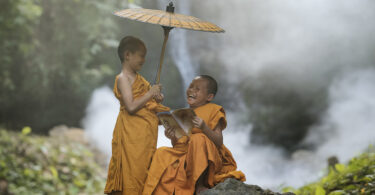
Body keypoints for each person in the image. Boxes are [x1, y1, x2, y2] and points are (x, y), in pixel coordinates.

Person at [142, 75, 245, 195]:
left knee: (198, 138)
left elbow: (219, 141)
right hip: (186, 154)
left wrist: (204, 128)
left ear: (209, 97)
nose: (191, 90)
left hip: (207, 158)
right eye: (190, 87)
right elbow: (181, 143)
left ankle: (199, 184)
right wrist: (173, 136)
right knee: (162, 152)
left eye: (197, 89)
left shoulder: (214, 110)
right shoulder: (184, 113)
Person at [104, 36, 170, 195]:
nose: (144, 60)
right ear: (128, 55)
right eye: (141, 55)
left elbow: (147, 102)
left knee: (144, 171)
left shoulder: (141, 80)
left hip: (145, 135)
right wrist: (150, 93)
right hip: (131, 135)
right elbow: (132, 106)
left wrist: (156, 97)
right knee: (133, 170)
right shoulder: (123, 78)